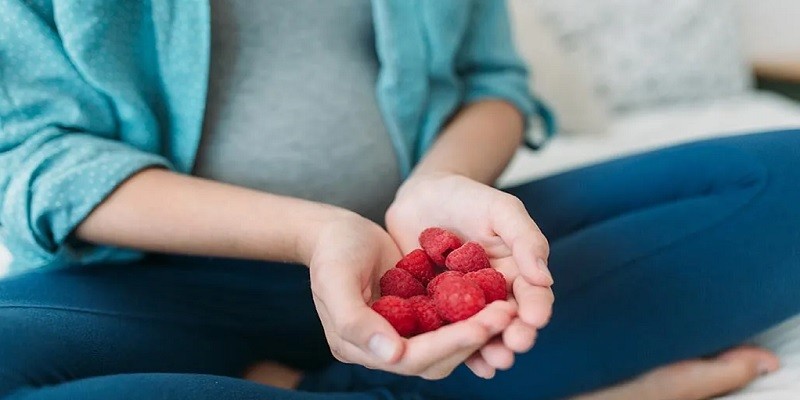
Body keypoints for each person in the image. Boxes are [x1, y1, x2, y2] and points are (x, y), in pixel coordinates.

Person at [0, 1, 797, 399]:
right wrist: (316, 234)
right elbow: (39, 155)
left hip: (413, 254)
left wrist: (435, 189)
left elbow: (492, 86)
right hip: (160, 281)